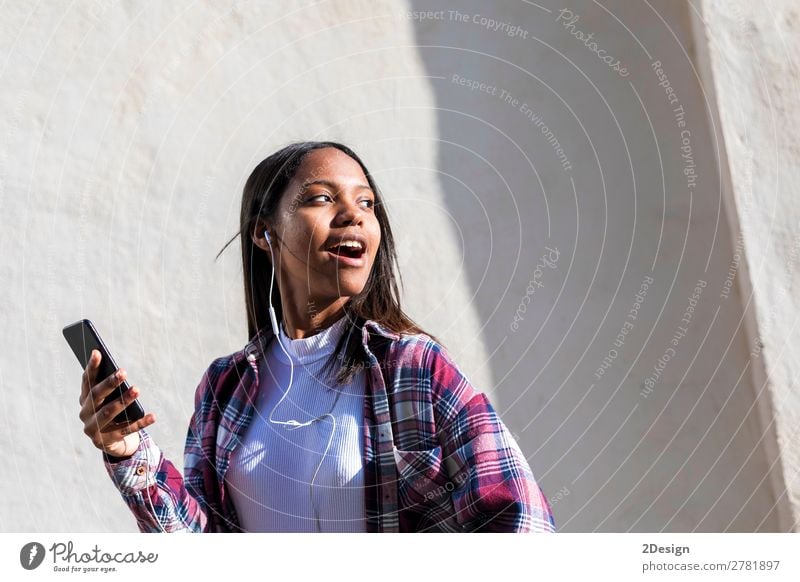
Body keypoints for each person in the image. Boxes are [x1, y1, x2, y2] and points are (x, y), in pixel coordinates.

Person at [78, 141, 556, 533]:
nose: (354, 216)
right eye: (323, 198)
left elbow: (523, 523)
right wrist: (127, 452)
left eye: (366, 202)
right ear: (265, 233)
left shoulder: (415, 369)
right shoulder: (225, 388)